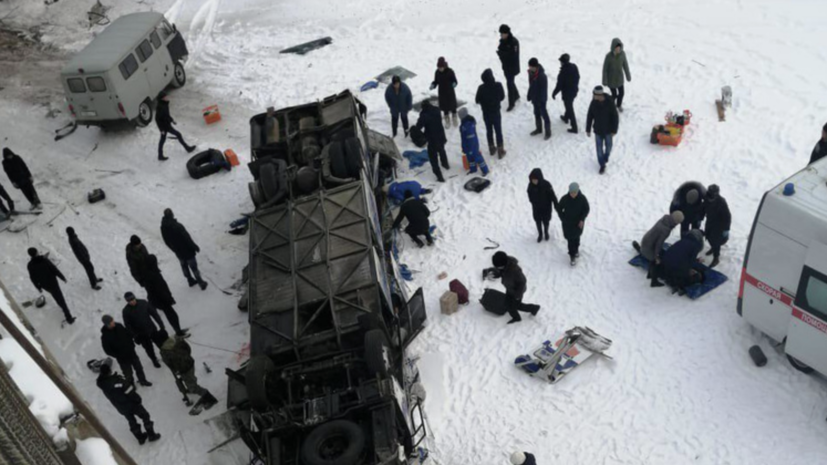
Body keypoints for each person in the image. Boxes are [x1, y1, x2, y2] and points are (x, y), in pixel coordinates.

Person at [96, 359, 161, 444]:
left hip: (120, 407)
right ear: (109, 372)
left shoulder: (102, 384)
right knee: (145, 415)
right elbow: (129, 390)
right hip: (131, 403)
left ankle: (140, 437)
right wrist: (137, 399)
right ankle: (151, 435)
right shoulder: (117, 381)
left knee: (131, 421)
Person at [159, 335, 217, 408]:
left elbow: (170, 364)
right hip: (190, 363)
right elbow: (188, 348)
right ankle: (192, 386)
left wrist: (177, 370)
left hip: (184, 369)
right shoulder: (177, 340)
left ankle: (210, 399)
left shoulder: (166, 352)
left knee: (193, 387)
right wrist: (186, 357)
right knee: (190, 379)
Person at [633, 211, 684, 287]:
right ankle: (654, 281)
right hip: (648, 247)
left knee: (657, 255)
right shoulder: (666, 229)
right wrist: (657, 256)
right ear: (676, 222)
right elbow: (658, 244)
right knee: (656, 262)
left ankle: (650, 272)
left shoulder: (665, 219)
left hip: (646, 240)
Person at [160, 208, 208, 290]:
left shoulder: (163, 227)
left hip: (178, 251)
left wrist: (174, 249)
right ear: (172, 214)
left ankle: (190, 280)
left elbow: (166, 241)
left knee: (184, 266)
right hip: (187, 250)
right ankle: (201, 283)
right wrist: (194, 246)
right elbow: (187, 238)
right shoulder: (178, 226)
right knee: (193, 267)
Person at [488, 252, 540, 324]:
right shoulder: (505, 265)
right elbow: (502, 271)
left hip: (516, 291)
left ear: (503, 264)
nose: (497, 268)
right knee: (508, 303)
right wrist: (497, 274)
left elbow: (522, 281)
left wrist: (518, 295)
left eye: (498, 267)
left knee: (514, 307)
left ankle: (524, 313)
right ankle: (530, 309)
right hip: (510, 288)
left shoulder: (515, 271)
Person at [101, 315, 151, 387]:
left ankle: (143, 380)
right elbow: (107, 350)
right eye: (111, 322)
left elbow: (128, 334)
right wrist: (118, 355)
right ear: (107, 324)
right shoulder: (105, 337)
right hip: (123, 359)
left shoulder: (119, 326)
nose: (113, 322)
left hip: (132, 353)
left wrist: (132, 345)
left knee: (139, 368)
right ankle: (131, 385)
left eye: (113, 320)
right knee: (128, 374)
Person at [27, 248, 74, 324]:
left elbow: (33, 278)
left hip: (45, 286)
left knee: (54, 295)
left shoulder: (30, 265)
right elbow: (54, 269)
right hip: (53, 283)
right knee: (60, 298)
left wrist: (38, 287)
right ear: (36, 253)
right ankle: (69, 317)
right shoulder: (44, 260)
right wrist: (62, 277)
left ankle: (60, 305)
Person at [144, 254, 188, 336]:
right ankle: (178, 332)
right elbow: (159, 289)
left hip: (161, 299)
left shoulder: (151, 272)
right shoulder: (152, 275)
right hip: (162, 300)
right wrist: (168, 298)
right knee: (172, 315)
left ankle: (178, 330)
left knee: (172, 315)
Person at [122, 292, 165, 368]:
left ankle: (165, 356)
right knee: (149, 349)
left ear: (134, 297)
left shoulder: (143, 303)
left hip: (152, 329)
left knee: (161, 344)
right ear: (127, 301)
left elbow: (154, 314)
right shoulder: (126, 311)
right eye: (129, 300)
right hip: (141, 334)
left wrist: (161, 325)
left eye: (132, 299)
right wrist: (135, 336)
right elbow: (127, 325)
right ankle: (154, 360)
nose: (132, 301)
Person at [585, 86, 619, 174]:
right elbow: (590, 116)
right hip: (598, 130)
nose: (593, 96)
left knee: (609, 146)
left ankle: (606, 156)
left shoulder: (609, 102)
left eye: (594, 95)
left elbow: (615, 117)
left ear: (599, 95)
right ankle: (602, 165)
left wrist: (614, 130)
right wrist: (588, 129)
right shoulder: (593, 103)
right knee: (599, 150)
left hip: (608, 130)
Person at [660, 229, 705, 294]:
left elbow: (682, 255)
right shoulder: (695, 245)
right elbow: (691, 262)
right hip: (676, 267)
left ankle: (670, 278)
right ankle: (677, 283)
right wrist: (693, 269)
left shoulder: (682, 240)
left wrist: (696, 260)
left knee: (674, 271)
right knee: (698, 277)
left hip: (665, 264)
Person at [475, 68, 506, 157]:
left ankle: (491, 148)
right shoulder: (498, 85)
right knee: (498, 130)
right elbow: (502, 96)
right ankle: (500, 150)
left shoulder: (481, 88)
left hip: (486, 113)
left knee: (489, 130)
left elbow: (477, 100)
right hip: (496, 112)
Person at [415, 100, 449, 182]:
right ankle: (445, 164)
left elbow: (418, 126)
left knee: (433, 157)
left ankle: (439, 175)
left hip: (432, 139)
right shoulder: (437, 110)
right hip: (441, 135)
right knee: (442, 150)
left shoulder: (424, 115)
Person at [155, 92, 196, 161]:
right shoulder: (160, 107)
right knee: (178, 134)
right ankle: (187, 148)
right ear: (162, 99)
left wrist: (172, 120)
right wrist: (161, 129)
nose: (167, 97)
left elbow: (167, 115)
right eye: (165, 97)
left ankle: (160, 155)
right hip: (165, 127)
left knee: (162, 140)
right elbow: (157, 119)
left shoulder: (164, 104)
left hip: (167, 124)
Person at [557, 183, 590, 266]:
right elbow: (559, 208)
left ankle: (576, 250)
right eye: (571, 193)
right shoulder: (565, 199)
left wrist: (582, 219)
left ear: (578, 191)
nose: (573, 194)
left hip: (578, 223)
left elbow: (586, 209)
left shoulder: (582, 199)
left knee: (577, 238)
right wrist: (563, 218)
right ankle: (572, 255)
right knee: (570, 240)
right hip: (567, 224)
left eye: (574, 192)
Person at [703, 185, 731, 268]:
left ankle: (716, 257)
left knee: (716, 241)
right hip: (710, 222)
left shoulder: (721, 202)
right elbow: (704, 208)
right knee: (708, 237)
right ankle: (713, 248)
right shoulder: (706, 198)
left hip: (719, 226)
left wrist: (726, 229)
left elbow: (727, 216)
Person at [527, 168, 558, 243]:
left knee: (546, 221)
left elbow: (552, 196)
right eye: (532, 180)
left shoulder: (546, 185)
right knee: (538, 221)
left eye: (535, 179)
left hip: (546, 208)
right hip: (536, 208)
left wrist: (556, 205)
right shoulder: (530, 186)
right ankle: (540, 234)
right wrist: (532, 201)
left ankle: (546, 232)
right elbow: (529, 193)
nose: (534, 181)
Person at [552, 53, 580, 134]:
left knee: (569, 108)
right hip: (574, 90)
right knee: (569, 105)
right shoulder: (574, 66)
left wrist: (554, 93)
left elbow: (559, 85)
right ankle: (566, 117)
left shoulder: (563, 73)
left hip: (567, 94)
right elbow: (578, 77)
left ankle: (574, 127)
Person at [602, 38, 631, 112]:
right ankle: (610, 105)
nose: (619, 49)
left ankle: (618, 105)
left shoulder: (622, 54)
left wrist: (628, 75)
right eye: (617, 48)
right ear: (613, 47)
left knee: (621, 93)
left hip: (619, 79)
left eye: (620, 47)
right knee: (614, 95)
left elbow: (625, 65)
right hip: (611, 79)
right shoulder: (608, 56)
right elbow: (605, 69)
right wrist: (604, 80)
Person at [458, 108, 489, 176]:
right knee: (470, 158)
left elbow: (470, 137)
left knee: (477, 157)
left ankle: (485, 170)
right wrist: (464, 147)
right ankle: (473, 169)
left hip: (472, 145)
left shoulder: (468, 125)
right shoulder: (464, 123)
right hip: (467, 145)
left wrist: (470, 147)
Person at [497, 24, 520, 111]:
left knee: (509, 83)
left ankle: (511, 103)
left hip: (512, 67)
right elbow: (500, 48)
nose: (501, 35)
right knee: (510, 81)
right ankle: (516, 95)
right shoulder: (503, 41)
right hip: (506, 66)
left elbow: (513, 56)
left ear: (507, 33)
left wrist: (502, 54)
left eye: (502, 34)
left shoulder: (514, 42)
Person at [430, 57, 459, 128]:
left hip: (450, 92)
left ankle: (454, 116)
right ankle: (447, 118)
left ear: (444, 66)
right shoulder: (437, 72)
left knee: (452, 105)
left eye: (441, 67)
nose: (440, 69)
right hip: (442, 92)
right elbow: (436, 81)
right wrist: (433, 84)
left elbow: (455, 80)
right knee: (445, 106)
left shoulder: (450, 71)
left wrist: (454, 84)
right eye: (439, 67)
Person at [527, 58, 551, 140]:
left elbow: (543, 90)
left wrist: (542, 100)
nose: (529, 68)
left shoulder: (541, 76)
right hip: (534, 98)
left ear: (535, 66)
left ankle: (548, 132)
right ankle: (539, 129)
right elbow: (531, 85)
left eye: (530, 66)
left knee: (544, 115)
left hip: (541, 100)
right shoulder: (531, 73)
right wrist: (529, 94)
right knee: (536, 113)